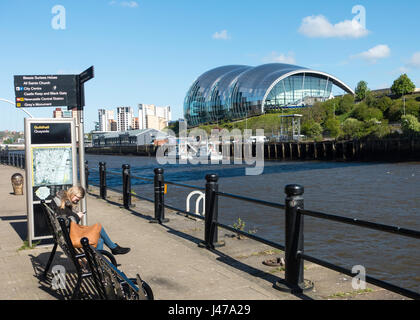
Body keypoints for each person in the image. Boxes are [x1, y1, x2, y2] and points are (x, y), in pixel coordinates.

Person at [49, 186, 130, 255]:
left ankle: (98, 262)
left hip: (65, 234)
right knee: (98, 227)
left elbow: (65, 219)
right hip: (66, 237)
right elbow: (66, 221)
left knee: (100, 240)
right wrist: (77, 216)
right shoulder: (61, 204)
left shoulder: (61, 201)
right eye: (77, 199)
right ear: (72, 194)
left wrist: (75, 215)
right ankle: (113, 249)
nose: (77, 202)